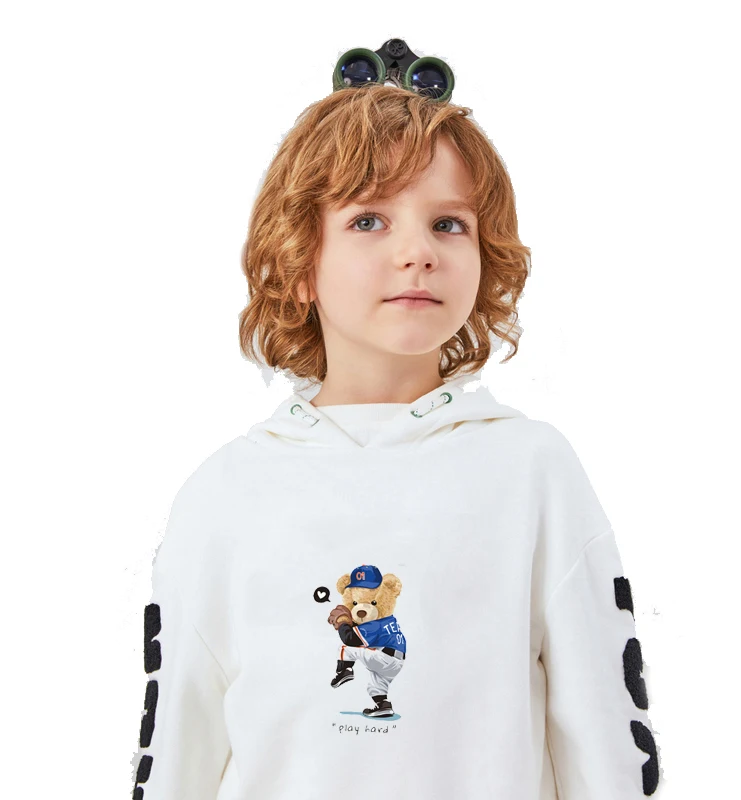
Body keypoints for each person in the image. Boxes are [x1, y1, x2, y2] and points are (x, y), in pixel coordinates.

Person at [129, 82, 661, 799]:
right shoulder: (225, 493)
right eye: (369, 220)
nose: (417, 251)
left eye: (448, 224)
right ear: (298, 262)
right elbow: (175, 744)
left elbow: (606, 737)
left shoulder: (531, 471)